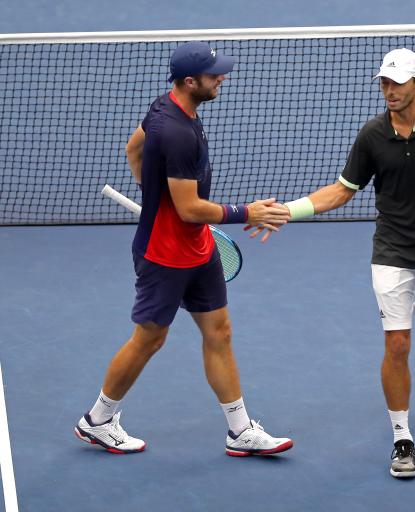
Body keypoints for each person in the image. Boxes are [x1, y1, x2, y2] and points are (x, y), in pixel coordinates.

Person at [252, 48, 415, 477]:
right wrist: (287, 210)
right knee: (396, 342)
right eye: (384, 82)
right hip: (392, 249)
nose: (389, 90)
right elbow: (341, 191)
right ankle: (402, 438)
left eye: (398, 82)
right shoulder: (372, 136)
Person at [74, 41, 293, 457]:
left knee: (220, 331)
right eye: (214, 75)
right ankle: (97, 420)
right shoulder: (177, 132)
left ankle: (239, 429)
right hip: (164, 255)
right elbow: (191, 209)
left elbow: (133, 148)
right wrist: (249, 212)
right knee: (149, 339)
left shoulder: (166, 107)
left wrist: (150, 190)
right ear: (190, 81)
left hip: (197, 248)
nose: (222, 78)